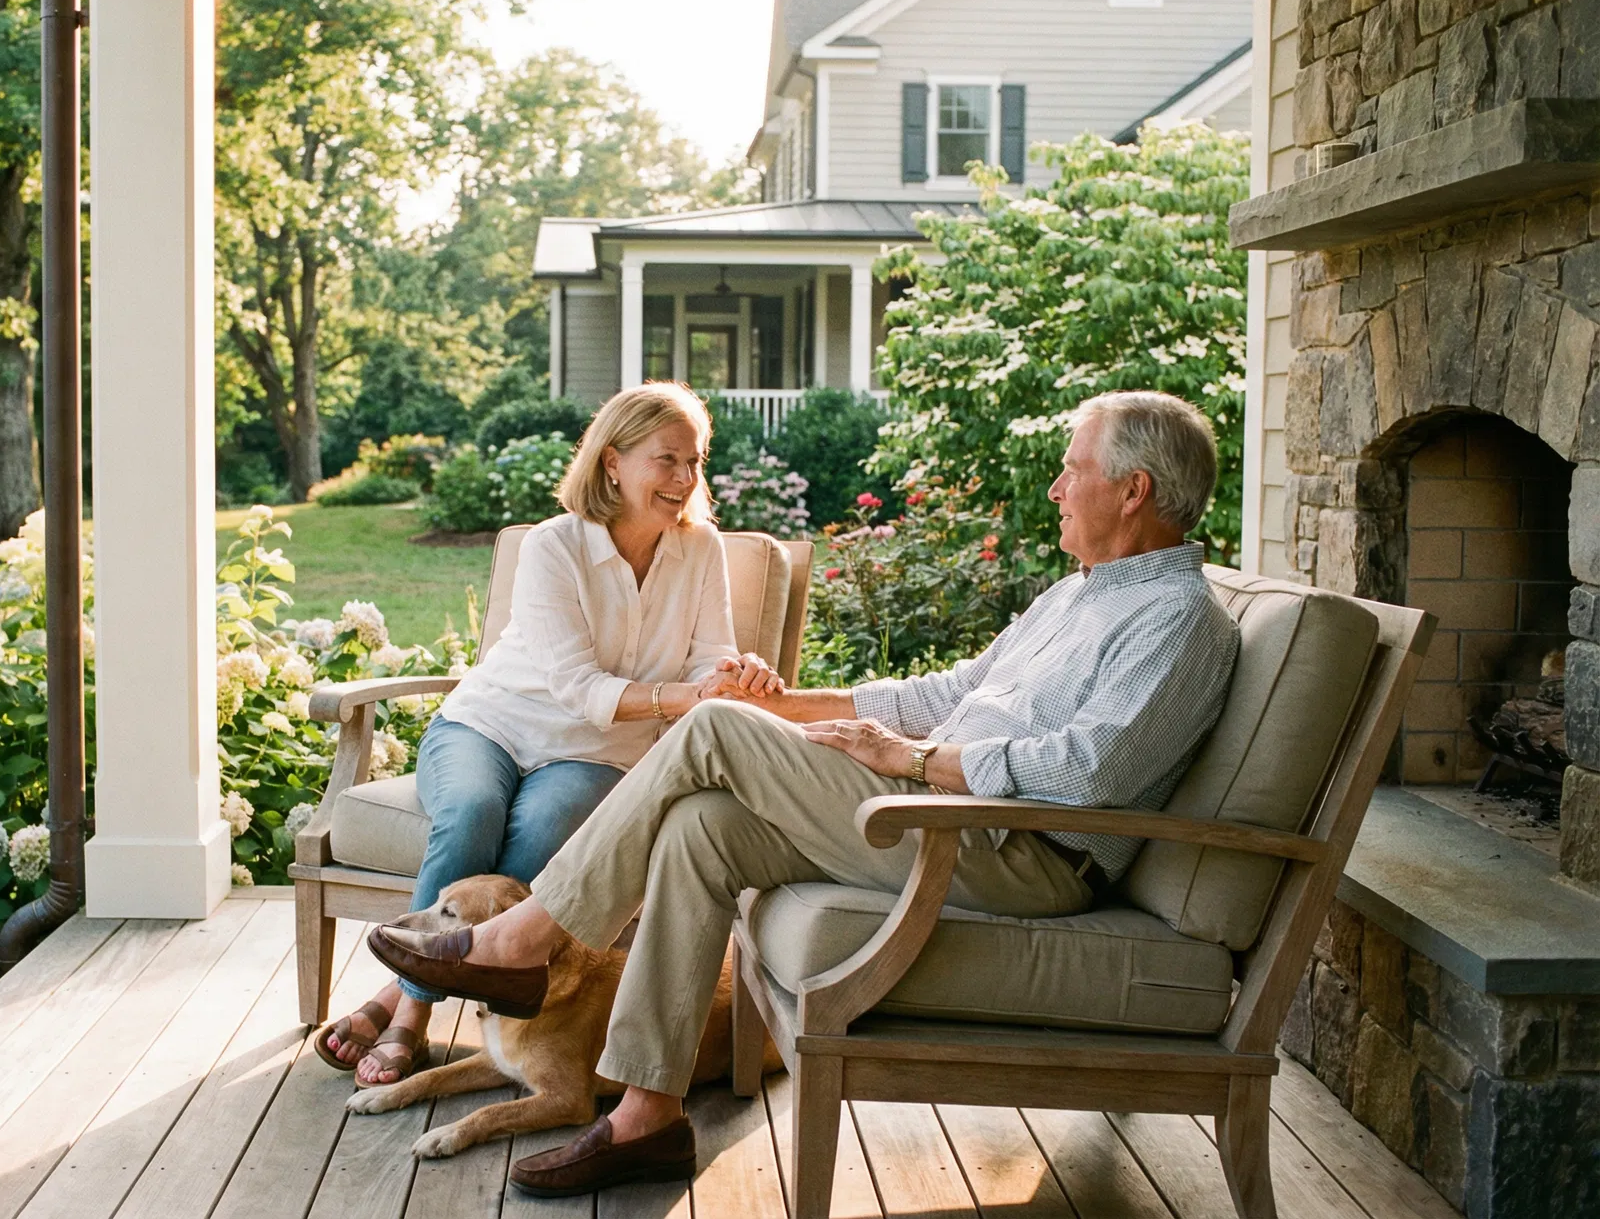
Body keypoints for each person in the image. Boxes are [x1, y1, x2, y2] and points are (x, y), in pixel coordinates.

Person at [368, 389, 1243, 1197]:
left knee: (710, 732)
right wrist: (782, 704)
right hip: (952, 818)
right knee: (703, 826)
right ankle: (647, 1117)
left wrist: (908, 762)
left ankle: (522, 940)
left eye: (1073, 469)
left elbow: (1091, 774)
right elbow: (948, 693)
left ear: (1133, 491)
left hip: (1021, 852)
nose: (1056, 487)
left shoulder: (1180, 621)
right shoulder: (1074, 597)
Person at [318, 381, 781, 1088]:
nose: (686, 479)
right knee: (472, 812)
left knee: (540, 836)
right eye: (667, 460)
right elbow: (574, 685)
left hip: (595, 752)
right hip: (488, 724)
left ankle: (393, 999)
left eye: (695, 461)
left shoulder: (701, 549)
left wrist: (729, 675)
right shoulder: (553, 546)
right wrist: (683, 695)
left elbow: (708, 652)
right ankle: (412, 1013)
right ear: (612, 463)